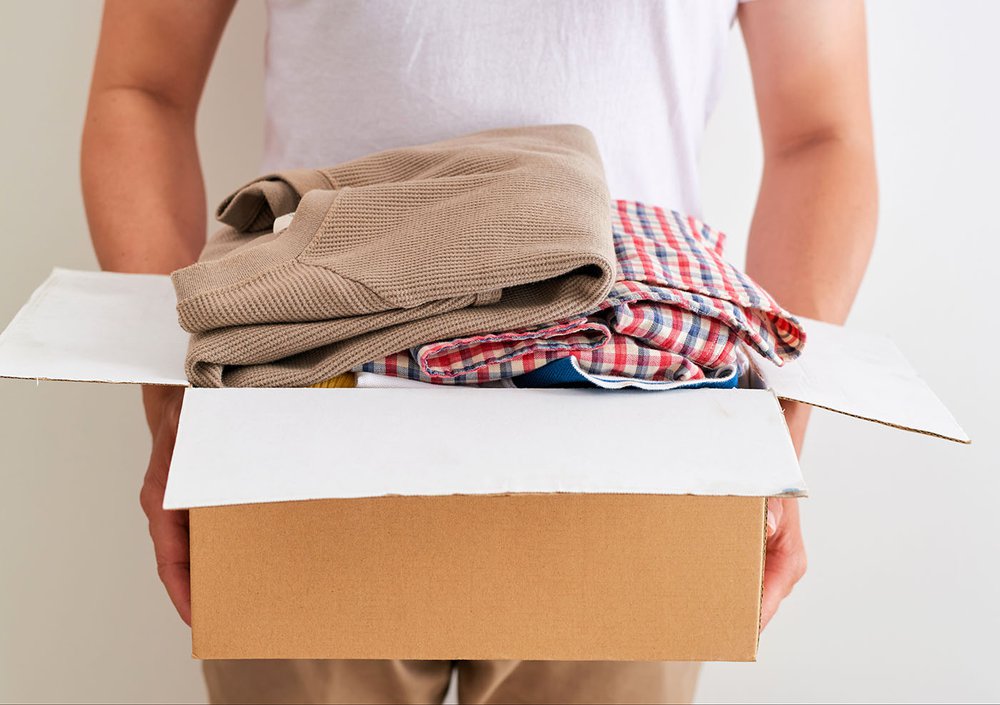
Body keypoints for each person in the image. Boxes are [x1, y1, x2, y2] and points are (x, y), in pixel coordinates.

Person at [80, 1, 877, 703]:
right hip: (304, 424)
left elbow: (821, 133)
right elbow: (142, 88)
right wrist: (172, 404)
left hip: (640, 440)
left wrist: (775, 427)